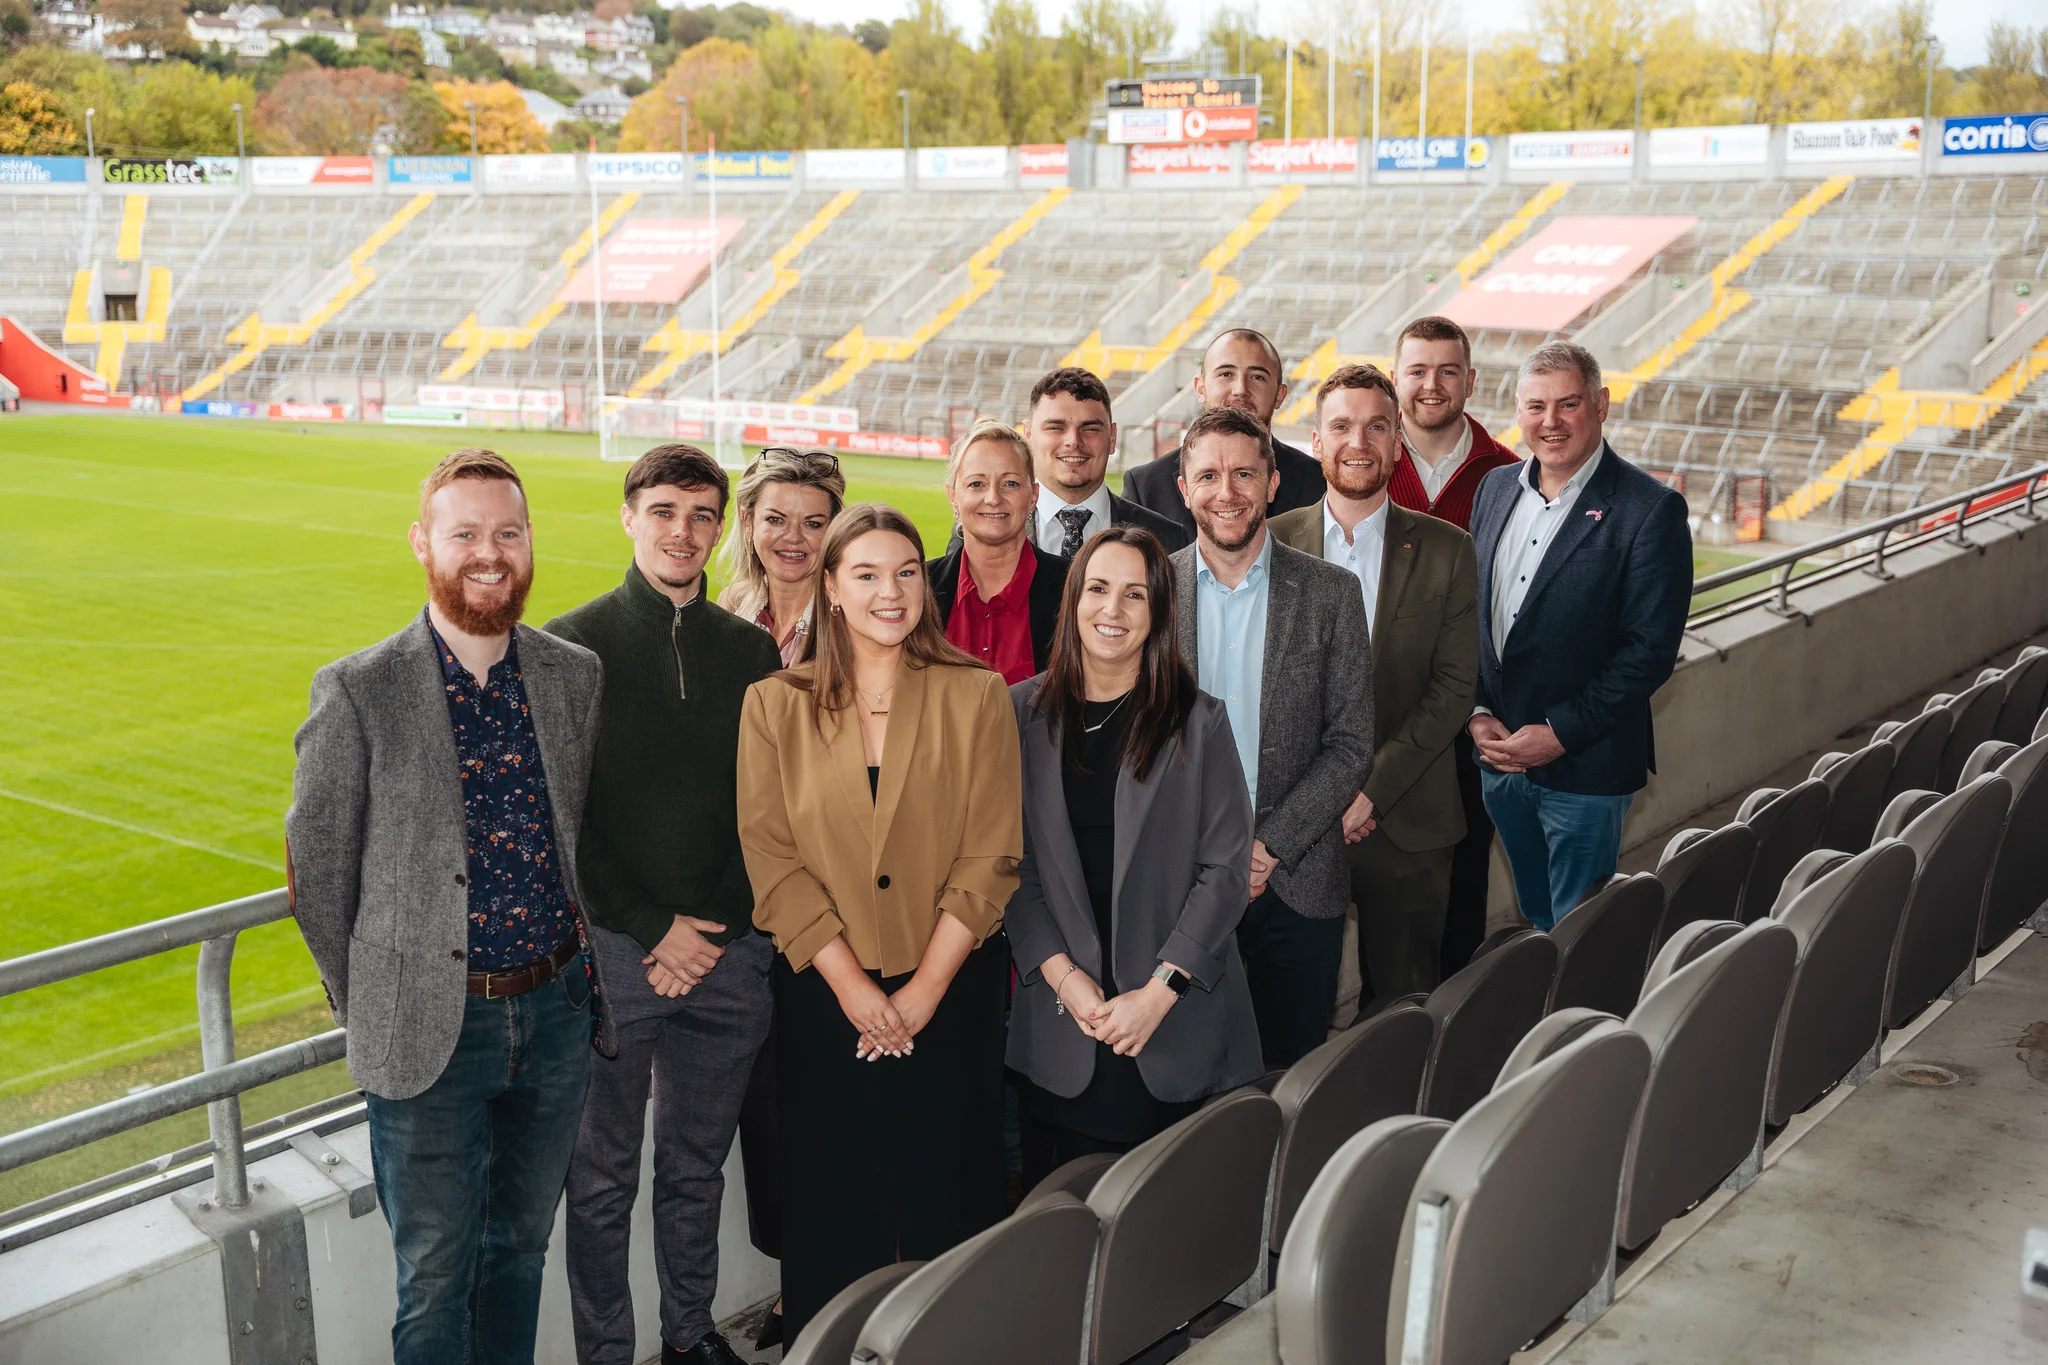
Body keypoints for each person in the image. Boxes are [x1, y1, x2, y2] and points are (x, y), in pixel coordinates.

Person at [285, 448, 611, 1365]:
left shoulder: (570, 674)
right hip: (430, 1029)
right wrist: (373, 997)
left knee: (518, 1252)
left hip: (553, 1017)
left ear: (530, 542)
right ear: (423, 543)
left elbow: (575, 828)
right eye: (464, 532)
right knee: (433, 1275)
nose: (489, 552)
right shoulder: (359, 688)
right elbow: (317, 868)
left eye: (507, 532)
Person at [736, 503, 1022, 1344]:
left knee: (948, 1199)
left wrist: (926, 988)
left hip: (953, 993)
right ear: (829, 588)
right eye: (864, 573)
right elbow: (772, 860)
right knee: (834, 1208)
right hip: (826, 999)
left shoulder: (977, 694)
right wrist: (858, 990)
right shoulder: (772, 706)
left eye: (904, 571)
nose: (889, 590)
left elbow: (992, 852)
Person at [547, 446, 782, 1365]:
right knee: (600, 1179)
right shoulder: (573, 646)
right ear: (629, 516)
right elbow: (570, 820)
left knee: (693, 1169)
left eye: (700, 514)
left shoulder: (752, 650)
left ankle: (689, 1338)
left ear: (720, 529)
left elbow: (771, 807)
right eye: (663, 511)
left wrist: (712, 928)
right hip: (618, 955)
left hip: (730, 956)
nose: (682, 531)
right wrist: (654, 929)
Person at [1006, 525, 1261, 1187]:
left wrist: (1156, 993)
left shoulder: (1197, 721)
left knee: (1157, 1233)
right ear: (1073, 600)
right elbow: (1011, 870)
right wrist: (1068, 982)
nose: (1112, 610)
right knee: (1054, 1226)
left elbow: (1225, 872)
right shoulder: (1018, 715)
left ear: (1157, 615)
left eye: (1135, 595)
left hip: (1168, 1021)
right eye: (1097, 588)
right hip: (1066, 1021)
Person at [1169, 406, 1374, 1069]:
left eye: (1243, 473)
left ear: (1274, 482)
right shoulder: (1149, 593)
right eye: (1208, 475)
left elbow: (1350, 745)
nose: (1226, 492)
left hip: (1296, 883)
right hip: (1177, 883)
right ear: (1183, 487)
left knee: (1288, 1079)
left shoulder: (1332, 594)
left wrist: (1268, 847)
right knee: (1186, 1075)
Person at [1269, 365, 1479, 1008]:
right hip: (1290, 822)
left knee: (1401, 1010)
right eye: (1341, 425)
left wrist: (1370, 790)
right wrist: (1321, 797)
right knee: (1292, 1009)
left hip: (1408, 821)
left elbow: (1452, 688)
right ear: (1317, 440)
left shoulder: (1449, 549)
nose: (1358, 441)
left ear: (1396, 444)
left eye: (1376, 426)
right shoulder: (1271, 544)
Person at [1469, 341, 1693, 931]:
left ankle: (1578, 1023)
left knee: (1577, 932)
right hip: (1501, 761)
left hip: (1585, 768)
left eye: (1568, 405)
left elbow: (1648, 655)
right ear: (1517, 411)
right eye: (1536, 406)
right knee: (1539, 914)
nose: (1550, 423)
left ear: (1600, 404)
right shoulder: (1494, 490)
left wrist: (1559, 734)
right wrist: (1475, 711)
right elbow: (1469, 616)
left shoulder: (1650, 510)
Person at [1386, 316, 1521, 979]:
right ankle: (1389, 1024)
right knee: (1381, 882)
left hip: (1471, 716)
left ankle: (1455, 1022)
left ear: (1470, 380)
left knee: (1465, 874)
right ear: (1395, 378)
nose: (1431, 385)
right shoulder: (1363, 464)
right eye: (1417, 370)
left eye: (1446, 370)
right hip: (1378, 716)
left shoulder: (1512, 475)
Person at [1123, 328, 1327, 537]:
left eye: (1257, 377)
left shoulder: (1321, 483)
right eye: (1226, 374)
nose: (1240, 389)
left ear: (1279, 395)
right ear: (1200, 389)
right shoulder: (1145, 487)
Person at [927, 420, 1071, 684]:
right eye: (976, 484)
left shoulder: (1073, 586)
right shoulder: (920, 587)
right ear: (953, 496)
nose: (993, 498)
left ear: (1034, 496)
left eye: (1011, 484)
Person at [1023, 365, 1190, 554]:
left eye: (1090, 428)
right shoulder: (990, 528)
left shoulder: (1168, 539)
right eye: (1055, 427)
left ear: (1112, 438)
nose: (1074, 441)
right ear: (1028, 435)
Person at [716, 446, 847, 667]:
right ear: (748, 521)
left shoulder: (849, 618)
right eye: (776, 520)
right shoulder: (734, 604)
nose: (793, 537)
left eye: (812, 524)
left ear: (833, 529)